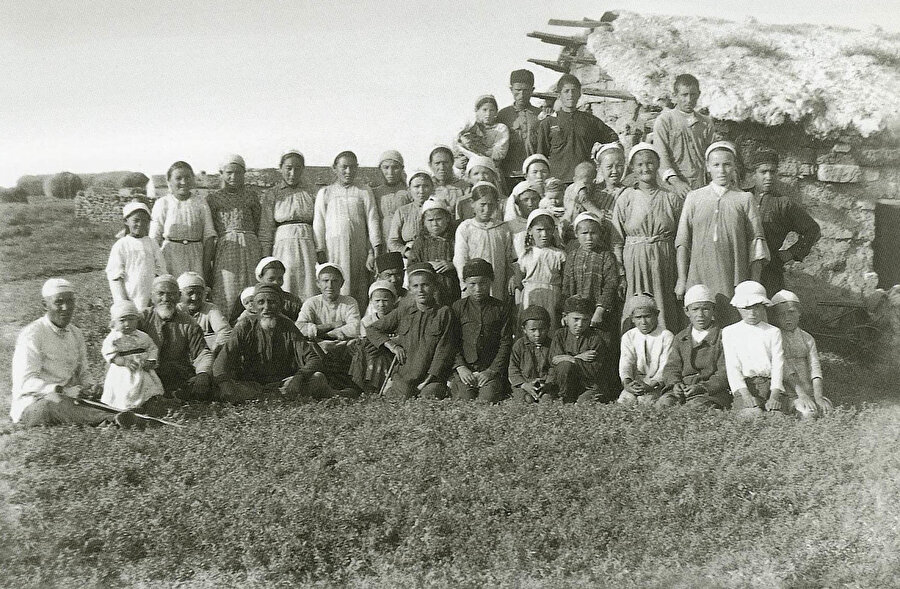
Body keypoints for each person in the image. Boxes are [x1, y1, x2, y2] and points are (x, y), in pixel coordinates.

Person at [675, 141, 769, 323]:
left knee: (731, 322)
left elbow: (756, 243)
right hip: (699, 274)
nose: (722, 170)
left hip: (733, 275)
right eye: (716, 165)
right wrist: (681, 279)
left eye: (727, 164)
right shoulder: (694, 198)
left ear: (734, 166)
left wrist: (753, 283)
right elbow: (682, 242)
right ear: (708, 167)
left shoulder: (744, 199)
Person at [10, 279, 123, 427]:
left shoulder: (75, 333)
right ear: (45, 305)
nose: (66, 308)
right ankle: (112, 419)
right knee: (54, 402)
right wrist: (62, 390)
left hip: (71, 399)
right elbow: (26, 383)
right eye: (59, 302)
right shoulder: (32, 335)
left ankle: (117, 417)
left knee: (107, 390)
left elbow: (83, 372)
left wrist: (89, 386)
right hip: (35, 404)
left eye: (70, 302)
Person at [213, 283, 337, 403]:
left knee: (318, 378)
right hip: (250, 385)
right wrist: (224, 383)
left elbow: (313, 358)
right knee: (220, 386)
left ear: (280, 305)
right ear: (254, 306)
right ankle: (273, 398)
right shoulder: (245, 326)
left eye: (272, 302)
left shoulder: (288, 326)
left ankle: (270, 397)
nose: (266, 308)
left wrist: (299, 377)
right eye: (261, 302)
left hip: (283, 384)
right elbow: (223, 359)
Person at [612, 143, 684, 332]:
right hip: (635, 261)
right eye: (640, 164)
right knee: (636, 306)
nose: (645, 168)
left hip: (664, 261)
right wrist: (621, 273)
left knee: (665, 306)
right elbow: (617, 240)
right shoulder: (625, 197)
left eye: (650, 163)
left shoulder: (671, 198)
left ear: (658, 164)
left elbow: (682, 238)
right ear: (633, 168)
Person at [366, 263, 459, 400]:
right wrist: (392, 346)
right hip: (405, 375)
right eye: (415, 286)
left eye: (425, 285)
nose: (420, 290)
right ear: (410, 289)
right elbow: (372, 329)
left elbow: (443, 351)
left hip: (432, 377)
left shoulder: (444, 313)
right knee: (399, 399)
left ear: (434, 287)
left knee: (428, 398)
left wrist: (427, 380)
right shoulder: (404, 311)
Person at [313, 150, 384, 308]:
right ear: (334, 168)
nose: (348, 171)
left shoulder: (364, 191)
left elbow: (372, 220)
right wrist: (320, 250)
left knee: (359, 286)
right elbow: (319, 223)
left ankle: (356, 324)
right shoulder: (325, 193)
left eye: (352, 167)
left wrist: (375, 250)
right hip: (333, 250)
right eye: (344, 167)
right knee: (335, 285)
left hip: (359, 249)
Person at [748, 149, 821, 295]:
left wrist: (791, 253)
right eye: (763, 172)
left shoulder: (783, 204)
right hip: (742, 266)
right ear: (753, 174)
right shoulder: (742, 197)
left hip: (769, 271)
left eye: (772, 172)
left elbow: (813, 230)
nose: (768, 177)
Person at [139, 275, 214, 401]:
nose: (166, 299)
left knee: (204, 385)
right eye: (160, 294)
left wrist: (203, 374)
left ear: (179, 296)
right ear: (152, 297)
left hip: (176, 374)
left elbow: (202, 353)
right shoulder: (142, 319)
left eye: (171, 294)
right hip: (145, 373)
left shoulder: (188, 323)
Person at [657, 285, 731, 410]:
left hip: (710, 392)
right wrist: (675, 384)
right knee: (664, 403)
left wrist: (702, 387)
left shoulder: (722, 337)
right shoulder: (681, 338)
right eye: (695, 309)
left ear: (713, 310)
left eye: (706, 309)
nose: (700, 314)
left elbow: (724, 373)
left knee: (694, 408)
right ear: (687, 311)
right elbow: (671, 367)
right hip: (684, 389)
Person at [258, 150, 319, 299]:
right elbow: (266, 228)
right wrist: (267, 258)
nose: (293, 173)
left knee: (307, 283)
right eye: (288, 168)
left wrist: (319, 250)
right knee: (285, 281)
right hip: (282, 246)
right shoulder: (272, 194)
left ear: (303, 169)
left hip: (307, 245)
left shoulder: (312, 192)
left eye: (297, 168)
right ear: (281, 168)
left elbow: (319, 223)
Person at [536, 73, 619, 183]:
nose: (571, 95)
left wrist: (600, 159)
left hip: (585, 181)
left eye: (574, 91)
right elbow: (541, 156)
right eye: (566, 91)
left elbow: (612, 138)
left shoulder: (590, 121)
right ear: (559, 95)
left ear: (579, 94)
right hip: (557, 183)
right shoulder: (548, 123)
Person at [450, 259, 513, 403]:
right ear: (465, 283)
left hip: (490, 370)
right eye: (472, 284)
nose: (478, 289)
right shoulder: (458, 307)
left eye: (483, 283)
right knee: (465, 399)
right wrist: (461, 367)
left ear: (490, 282)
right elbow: (451, 341)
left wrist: (492, 371)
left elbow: (506, 343)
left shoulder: (500, 308)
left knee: (487, 399)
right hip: (466, 370)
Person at [207, 154, 263, 314]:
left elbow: (258, 222)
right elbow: (211, 228)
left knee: (252, 286)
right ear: (221, 173)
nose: (234, 177)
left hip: (251, 247)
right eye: (229, 173)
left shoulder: (251, 196)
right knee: (227, 287)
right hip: (227, 248)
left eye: (238, 173)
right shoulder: (213, 198)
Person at [721, 281, 786, 417]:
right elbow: (733, 367)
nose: (752, 313)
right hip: (746, 385)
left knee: (776, 416)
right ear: (738, 308)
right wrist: (745, 394)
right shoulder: (730, 332)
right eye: (746, 308)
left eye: (756, 307)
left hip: (769, 385)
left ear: (763, 307)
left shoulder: (773, 332)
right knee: (753, 413)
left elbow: (778, 365)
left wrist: (774, 395)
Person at [150, 161, 217, 282]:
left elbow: (209, 235)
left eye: (187, 177)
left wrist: (206, 267)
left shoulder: (201, 203)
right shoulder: (163, 203)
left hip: (196, 257)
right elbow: (154, 238)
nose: (183, 182)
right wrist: (156, 267)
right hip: (170, 257)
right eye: (178, 178)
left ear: (193, 179)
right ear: (169, 181)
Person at [770, 289, 832, 418]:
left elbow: (815, 369)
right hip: (790, 393)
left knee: (827, 411)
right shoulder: (775, 338)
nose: (787, 318)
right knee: (808, 414)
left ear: (799, 313)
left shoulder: (807, 338)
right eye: (781, 314)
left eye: (791, 312)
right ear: (775, 317)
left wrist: (818, 397)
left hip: (810, 391)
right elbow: (786, 372)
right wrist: (801, 395)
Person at [652, 74, 716, 198]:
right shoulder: (665, 121)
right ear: (675, 95)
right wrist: (676, 182)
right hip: (672, 187)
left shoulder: (706, 123)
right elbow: (661, 156)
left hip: (699, 186)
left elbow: (710, 156)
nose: (689, 100)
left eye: (693, 95)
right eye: (684, 95)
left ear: (698, 94)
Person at [453, 182, 515, 300]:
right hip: (474, 285)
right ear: (472, 203)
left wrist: (510, 276)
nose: (486, 209)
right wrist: (465, 282)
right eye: (482, 204)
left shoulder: (502, 228)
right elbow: (460, 258)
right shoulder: (466, 227)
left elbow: (508, 257)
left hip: (497, 281)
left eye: (491, 205)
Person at [295, 264, 361, 373]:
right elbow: (300, 327)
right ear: (318, 283)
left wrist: (321, 333)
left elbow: (355, 328)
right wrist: (331, 325)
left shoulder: (349, 302)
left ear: (342, 283)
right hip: (319, 345)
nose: (330, 285)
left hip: (342, 345)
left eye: (334, 281)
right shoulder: (311, 302)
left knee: (356, 346)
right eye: (325, 281)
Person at [100, 300, 165, 411]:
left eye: (131, 320)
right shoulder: (114, 338)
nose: (127, 324)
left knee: (148, 387)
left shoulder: (142, 336)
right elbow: (110, 354)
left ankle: (149, 404)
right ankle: (128, 408)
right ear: (114, 323)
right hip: (123, 371)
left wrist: (151, 360)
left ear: (137, 320)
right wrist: (124, 362)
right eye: (122, 321)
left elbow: (152, 348)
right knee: (126, 391)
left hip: (142, 369)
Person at [562, 213, 619, 334]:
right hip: (576, 314)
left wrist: (600, 311)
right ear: (576, 234)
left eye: (593, 233)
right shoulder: (572, 256)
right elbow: (566, 286)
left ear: (600, 234)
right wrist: (566, 313)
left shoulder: (606, 256)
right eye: (584, 233)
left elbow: (611, 285)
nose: (589, 238)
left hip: (598, 312)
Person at [547, 295, 611, 403]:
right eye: (576, 319)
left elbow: (593, 370)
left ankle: (578, 398)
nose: (580, 324)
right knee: (564, 366)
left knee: (583, 402)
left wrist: (569, 358)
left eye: (585, 320)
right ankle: (565, 396)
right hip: (566, 385)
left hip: (589, 385)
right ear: (565, 317)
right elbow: (554, 360)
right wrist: (577, 358)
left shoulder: (595, 338)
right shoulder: (560, 335)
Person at [106, 201, 166, 310]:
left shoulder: (152, 244)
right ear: (126, 221)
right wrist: (124, 302)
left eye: (144, 221)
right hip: (129, 296)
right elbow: (115, 277)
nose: (140, 224)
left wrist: (156, 296)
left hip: (150, 298)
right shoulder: (121, 245)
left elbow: (161, 270)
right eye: (136, 220)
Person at [513, 210, 566, 331]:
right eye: (539, 230)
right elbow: (518, 284)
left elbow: (565, 282)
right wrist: (518, 305)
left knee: (550, 328)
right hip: (529, 297)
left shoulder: (560, 255)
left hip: (552, 297)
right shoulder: (525, 255)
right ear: (530, 231)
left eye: (548, 230)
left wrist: (561, 304)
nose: (544, 234)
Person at [617, 294, 674, 406]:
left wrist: (651, 385)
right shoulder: (629, 336)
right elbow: (626, 362)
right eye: (638, 317)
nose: (643, 322)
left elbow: (665, 367)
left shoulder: (666, 336)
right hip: (635, 383)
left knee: (646, 402)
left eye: (647, 316)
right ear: (632, 319)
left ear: (656, 314)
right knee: (625, 401)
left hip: (657, 384)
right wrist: (627, 383)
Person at [349, 280, 399, 395]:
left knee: (378, 356)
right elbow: (365, 339)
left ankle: (380, 387)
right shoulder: (367, 321)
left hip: (391, 353)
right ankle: (364, 386)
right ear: (371, 301)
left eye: (385, 300)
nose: (381, 304)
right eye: (377, 301)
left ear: (394, 300)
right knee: (362, 351)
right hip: (371, 353)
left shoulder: (398, 318)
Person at [408, 198, 461, 304]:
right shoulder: (420, 242)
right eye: (430, 220)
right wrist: (426, 266)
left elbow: (464, 259)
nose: (435, 224)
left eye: (439, 219)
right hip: (429, 292)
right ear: (424, 222)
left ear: (447, 219)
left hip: (453, 287)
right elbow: (411, 266)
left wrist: (452, 265)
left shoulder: (455, 239)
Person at [497, 69, 541, 188]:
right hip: (509, 175)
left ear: (532, 90)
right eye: (518, 90)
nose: (521, 95)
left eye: (525, 90)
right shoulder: (502, 115)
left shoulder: (540, 115)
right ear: (511, 89)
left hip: (534, 174)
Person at [508, 305, 556, 403]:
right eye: (532, 330)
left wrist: (547, 384)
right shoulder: (519, 345)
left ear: (548, 328)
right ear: (524, 329)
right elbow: (513, 369)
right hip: (524, 384)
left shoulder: (552, 345)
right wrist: (524, 385)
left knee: (546, 399)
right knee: (526, 399)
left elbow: (553, 367)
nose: (537, 334)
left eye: (542, 329)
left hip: (545, 384)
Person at [176, 271, 231, 355]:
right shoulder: (176, 310)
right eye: (190, 293)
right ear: (180, 294)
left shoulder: (210, 309)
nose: (195, 298)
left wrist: (212, 351)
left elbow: (225, 331)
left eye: (199, 293)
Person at [456, 94, 510, 169]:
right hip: (469, 170)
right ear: (476, 111)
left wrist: (477, 147)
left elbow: (499, 154)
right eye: (484, 110)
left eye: (492, 110)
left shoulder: (500, 129)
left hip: (491, 169)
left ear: (496, 112)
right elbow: (456, 148)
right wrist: (457, 163)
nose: (488, 114)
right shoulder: (468, 127)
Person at [388, 170, 433, 255]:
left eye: (426, 186)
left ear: (432, 188)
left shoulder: (440, 209)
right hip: (409, 256)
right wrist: (406, 252)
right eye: (417, 186)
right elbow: (392, 242)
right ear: (409, 189)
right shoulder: (402, 212)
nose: (421, 190)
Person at [372, 150, 411, 243]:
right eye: (386, 167)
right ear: (380, 169)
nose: (391, 172)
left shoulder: (408, 192)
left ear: (402, 168)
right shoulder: (374, 192)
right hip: (382, 238)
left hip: (402, 239)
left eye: (395, 168)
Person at [252, 257, 302, 322]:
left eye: (280, 278)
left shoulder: (292, 301)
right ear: (260, 277)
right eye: (271, 279)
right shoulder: (250, 299)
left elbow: (300, 325)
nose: (276, 283)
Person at [456, 155, 505, 220]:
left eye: (486, 173)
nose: (481, 178)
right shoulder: (462, 202)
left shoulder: (504, 201)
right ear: (469, 177)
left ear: (493, 175)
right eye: (476, 174)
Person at [506, 180, 542, 258]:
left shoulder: (545, 223)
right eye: (525, 200)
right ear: (517, 203)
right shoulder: (510, 227)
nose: (530, 204)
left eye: (534, 199)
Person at [429, 146, 469, 215]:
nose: (442, 167)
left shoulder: (464, 186)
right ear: (430, 165)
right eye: (437, 163)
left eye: (446, 163)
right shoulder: (426, 187)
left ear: (452, 163)